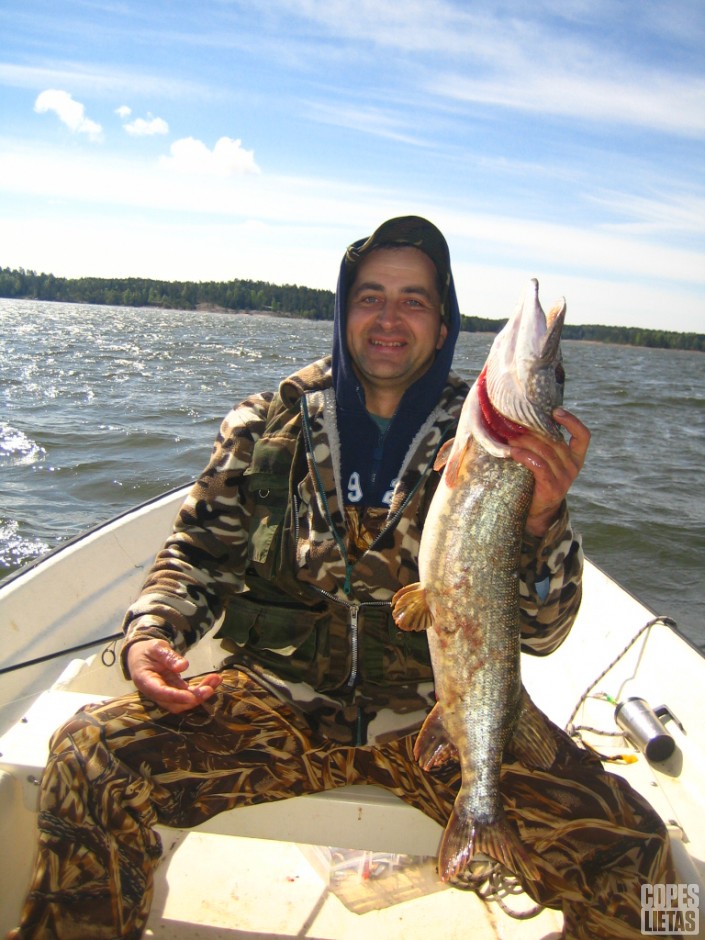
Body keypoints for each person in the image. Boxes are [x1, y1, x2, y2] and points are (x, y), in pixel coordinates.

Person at [9, 217, 674, 940]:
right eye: (370, 297)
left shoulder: (504, 449)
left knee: (645, 868)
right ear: (342, 310)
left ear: (444, 323)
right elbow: (194, 555)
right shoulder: (266, 423)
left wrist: (541, 520)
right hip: (275, 702)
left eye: (414, 300)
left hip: (438, 719)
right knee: (89, 758)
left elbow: (541, 636)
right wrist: (151, 633)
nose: (389, 317)